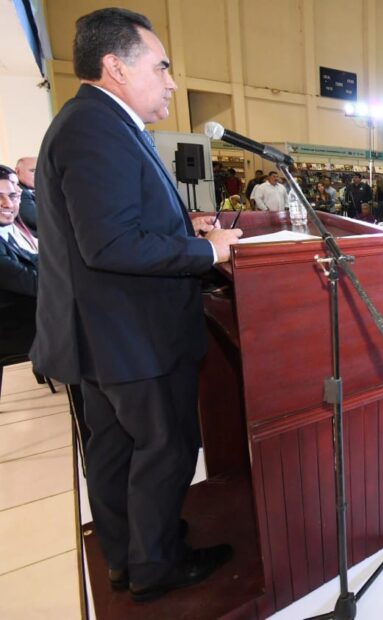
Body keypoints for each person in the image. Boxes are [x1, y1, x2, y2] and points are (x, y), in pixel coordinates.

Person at [30, 8, 242, 602]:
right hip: (132, 337)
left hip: (106, 335)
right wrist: (205, 249)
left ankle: (127, 555)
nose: (172, 81)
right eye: (162, 66)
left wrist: (181, 226)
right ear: (115, 67)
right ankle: (157, 567)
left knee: (117, 450)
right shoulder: (95, 129)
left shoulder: (95, 122)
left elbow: (106, 225)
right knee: (164, 448)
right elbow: (112, 244)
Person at [0, 170, 38, 359]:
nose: (7, 204)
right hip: (13, 331)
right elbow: (32, 282)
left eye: (13, 196)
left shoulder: (9, 231)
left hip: (28, 317)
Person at [14, 156, 37, 233]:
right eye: (33, 171)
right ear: (17, 171)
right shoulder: (21, 193)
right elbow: (35, 220)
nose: (38, 175)